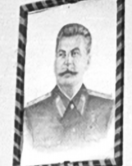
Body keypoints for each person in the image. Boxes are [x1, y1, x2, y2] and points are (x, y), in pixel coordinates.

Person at [24, 23, 114, 151]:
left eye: (75, 54)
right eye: (61, 54)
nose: (67, 61)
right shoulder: (31, 115)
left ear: (87, 61)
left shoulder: (108, 110)